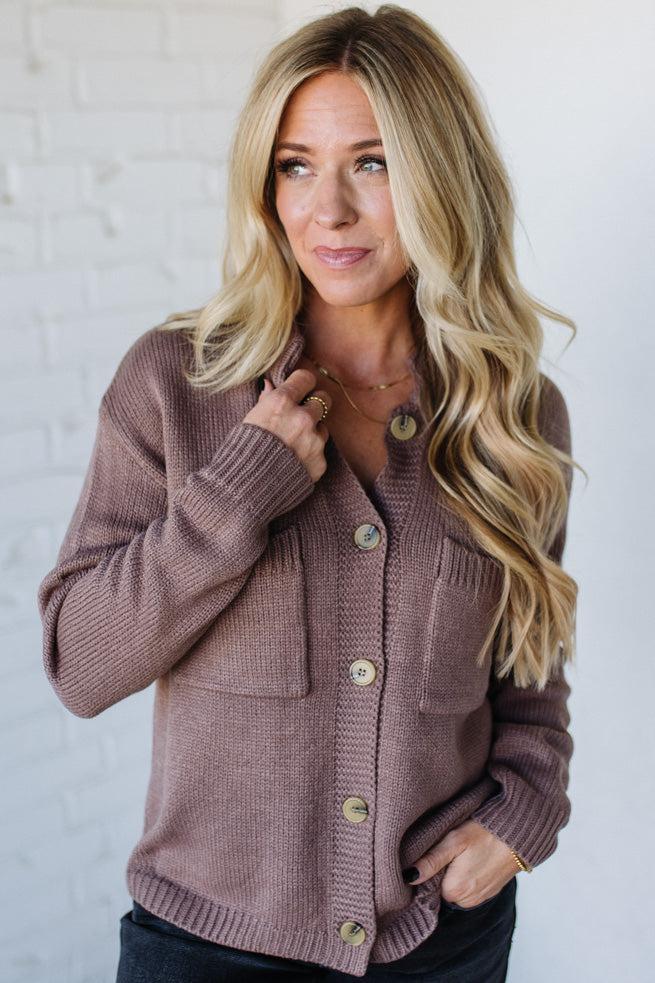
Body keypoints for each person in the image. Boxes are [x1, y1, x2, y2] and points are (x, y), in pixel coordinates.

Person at [36, 5, 581, 981]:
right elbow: (80, 663)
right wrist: (237, 492)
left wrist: (527, 807)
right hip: (207, 949)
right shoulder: (175, 383)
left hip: (441, 943)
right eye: (295, 165)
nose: (327, 210)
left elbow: (528, 662)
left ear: (440, 174)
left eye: (372, 163)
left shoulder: (512, 412)